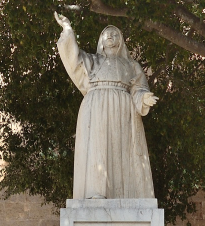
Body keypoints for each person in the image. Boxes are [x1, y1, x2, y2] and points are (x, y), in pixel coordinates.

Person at [55, 14, 158, 200]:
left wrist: (144, 98)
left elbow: (138, 88)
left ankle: (126, 194)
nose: (110, 36)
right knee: (97, 147)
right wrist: (68, 30)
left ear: (121, 41)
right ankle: (96, 192)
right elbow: (73, 59)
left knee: (123, 151)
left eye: (115, 34)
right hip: (96, 107)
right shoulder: (92, 61)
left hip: (124, 110)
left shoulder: (131, 65)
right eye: (106, 34)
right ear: (101, 40)